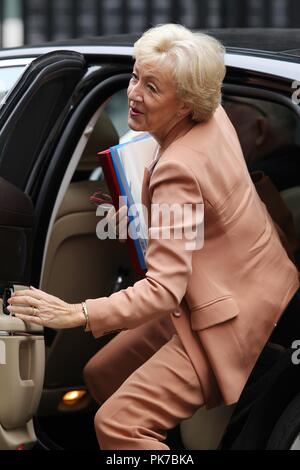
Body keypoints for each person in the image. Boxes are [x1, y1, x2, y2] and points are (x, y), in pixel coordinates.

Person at [7, 24, 299, 450]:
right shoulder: (211, 113)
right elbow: (203, 205)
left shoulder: (177, 171)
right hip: (253, 285)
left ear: (184, 104)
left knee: (118, 426)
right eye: (134, 77)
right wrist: (144, 205)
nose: (133, 93)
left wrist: (78, 314)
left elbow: (163, 289)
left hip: (226, 320)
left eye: (153, 87)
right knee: (101, 375)